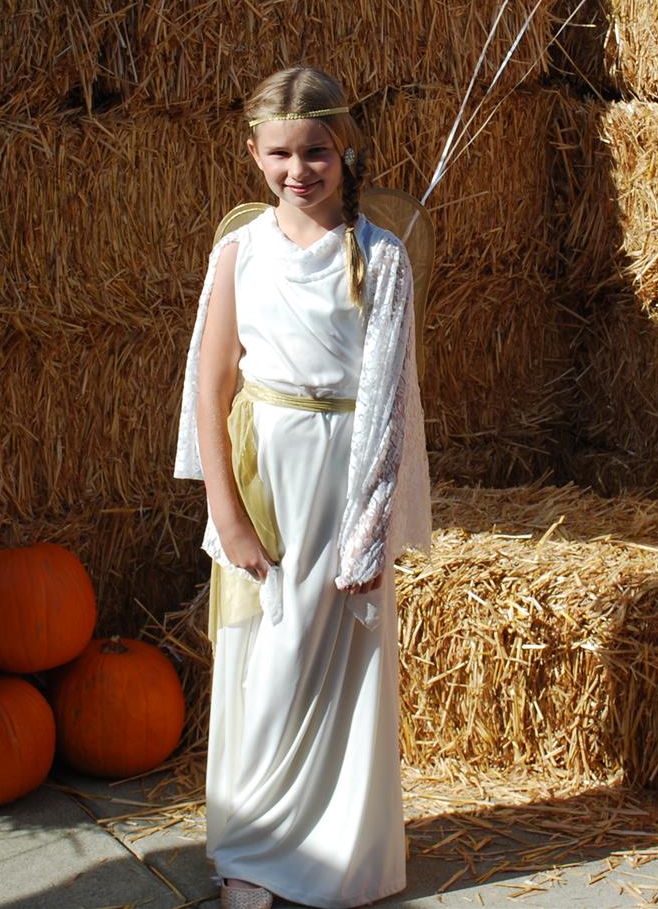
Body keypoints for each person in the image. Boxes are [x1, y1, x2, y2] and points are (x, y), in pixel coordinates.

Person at [174, 67, 431, 909]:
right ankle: (249, 849)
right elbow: (212, 384)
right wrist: (227, 509)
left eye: (316, 151)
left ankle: (335, 857)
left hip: (347, 475)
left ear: (343, 148)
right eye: (281, 153)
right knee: (269, 657)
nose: (299, 170)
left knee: (343, 659)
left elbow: (389, 396)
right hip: (266, 476)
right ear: (253, 154)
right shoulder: (239, 251)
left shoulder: (380, 255)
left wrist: (368, 527)